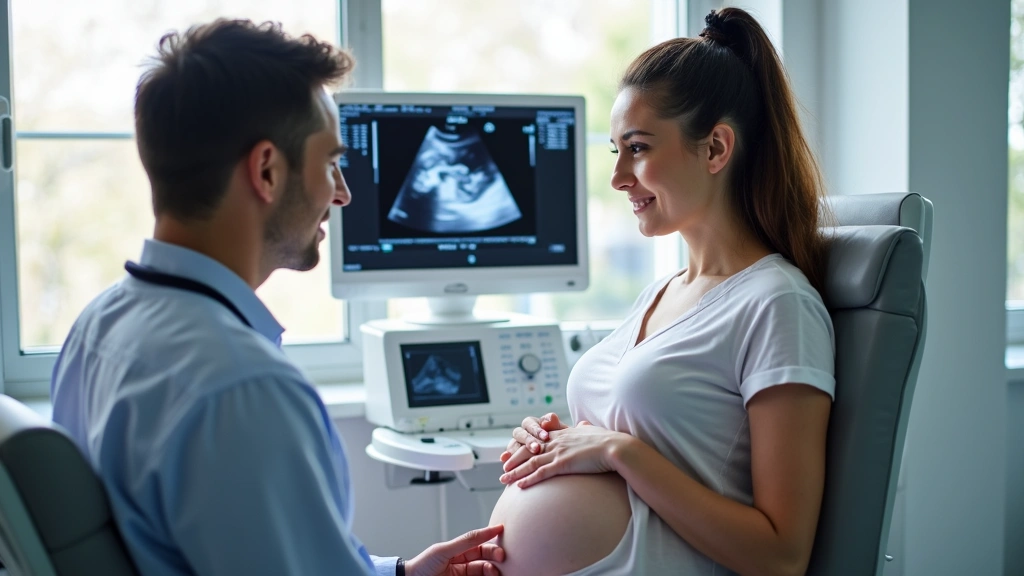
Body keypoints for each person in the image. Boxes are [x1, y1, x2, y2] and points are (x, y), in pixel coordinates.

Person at [50, 19, 504, 576]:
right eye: (331, 163)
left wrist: (400, 575)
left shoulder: (97, 327)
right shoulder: (244, 386)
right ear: (267, 170)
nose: (342, 194)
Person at [488, 7, 835, 576]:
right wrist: (559, 439)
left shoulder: (778, 305)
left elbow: (782, 555)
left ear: (716, 148)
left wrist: (616, 451)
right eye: (615, 151)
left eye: (639, 148)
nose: (618, 176)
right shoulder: (663, 291)